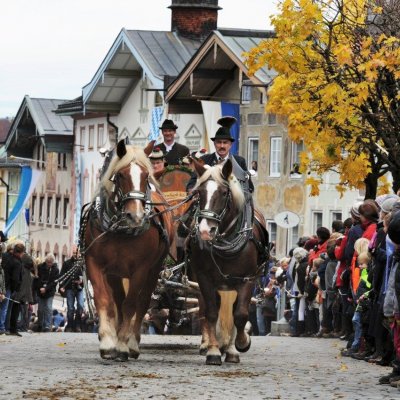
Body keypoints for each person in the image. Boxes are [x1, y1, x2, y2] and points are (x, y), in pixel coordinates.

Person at [187, 116, 254, 193]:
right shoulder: (204, 160)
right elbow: (191, 184)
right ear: (214, 143)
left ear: (230, 144)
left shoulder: (239, 161)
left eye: (225, 142)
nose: (222, 146)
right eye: (219, 142)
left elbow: (249, 188)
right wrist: (193, 190)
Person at [59, 247, 84, 332]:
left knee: (80, 306)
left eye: (76, 253)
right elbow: (62, 276)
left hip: (80, 288)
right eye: (73, 253)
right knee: (70, 308)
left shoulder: (82, 264)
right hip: (69, 288)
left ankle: (77, 325)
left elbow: (86, 276)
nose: (75, 254)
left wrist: (81, 281)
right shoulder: (66, 263)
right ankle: (70, 325)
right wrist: (61, 286)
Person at [37, 253, 59, 332]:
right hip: (40, 291)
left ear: (53, 262)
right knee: (40, 309)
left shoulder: (55, 269)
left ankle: (47, 325)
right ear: (46, 261)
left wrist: (46, 289)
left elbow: (54, 282)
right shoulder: (40, 267)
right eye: (48, 262)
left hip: (50, 292)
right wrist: (40, 288)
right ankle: (40, 324)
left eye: (50, 262)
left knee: (48, 308)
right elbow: (37, 278)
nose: (49, 264)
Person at [7, 242, 25, 337]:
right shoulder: (17, 262)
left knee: (11, 309)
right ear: (20, 252)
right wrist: (16, 289)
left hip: (11, 287)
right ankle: (12, 329)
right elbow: (15, 278)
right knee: (14, 309)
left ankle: (10, 328)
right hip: (14, 289)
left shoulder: (11, 259)